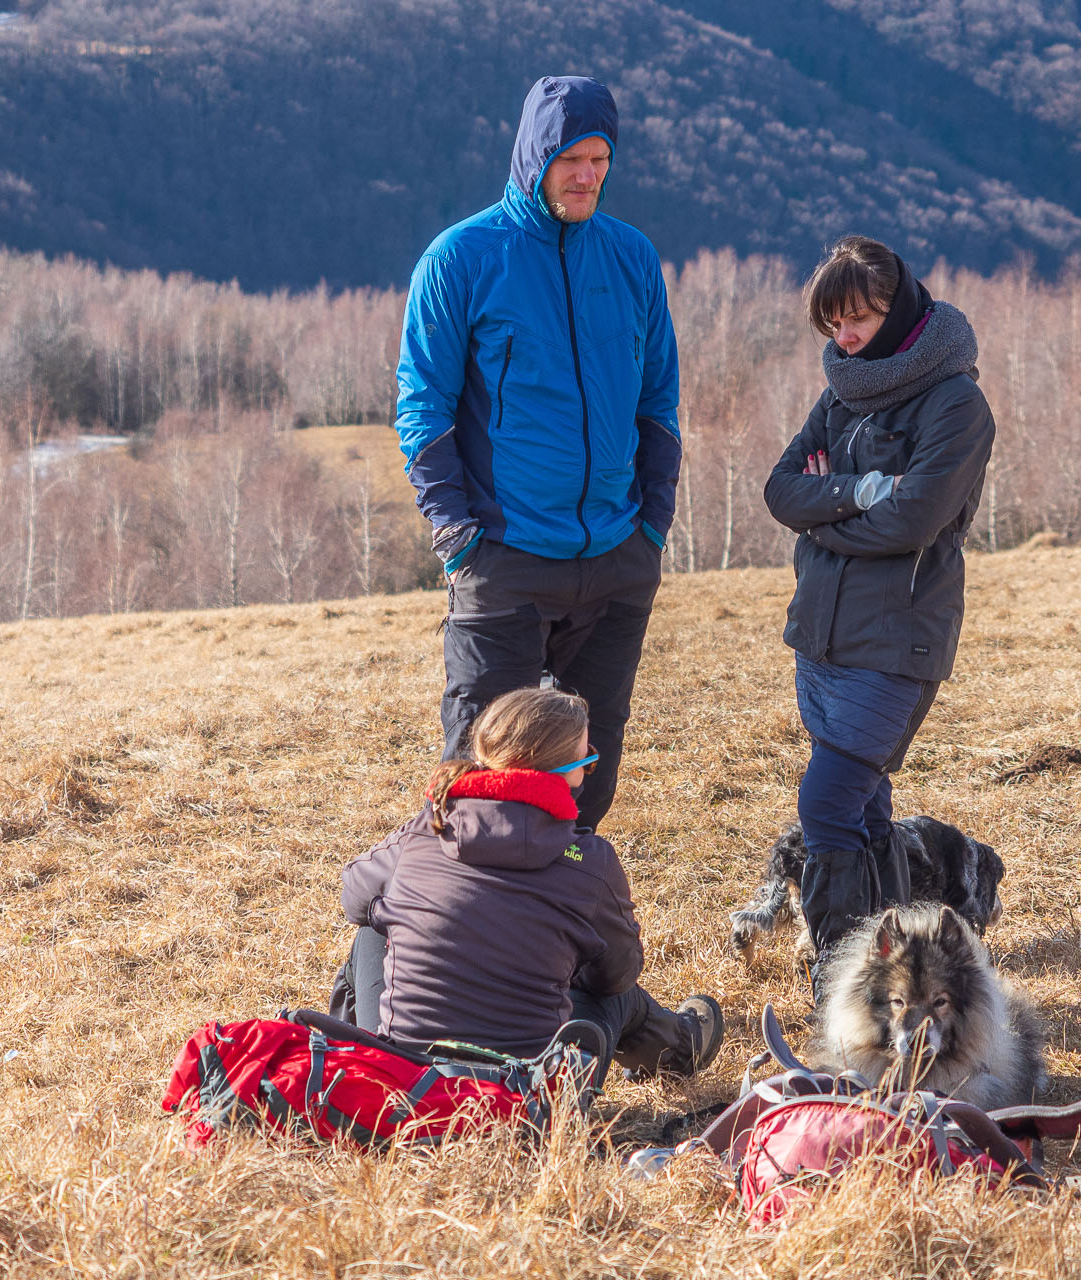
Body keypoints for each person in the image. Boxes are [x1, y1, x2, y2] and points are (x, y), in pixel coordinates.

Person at [394, 75, 682, 832]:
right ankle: (468, 932)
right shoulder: (460, 259)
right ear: (534, 156)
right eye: (569, 160)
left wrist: (651, 526)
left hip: (617, 558)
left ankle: (564, 924)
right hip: (506, 558)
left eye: (599, 159)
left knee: (590, 771)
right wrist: (459, 538)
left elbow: (659, 405)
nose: (586, 175)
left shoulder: (632, 259)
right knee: (485, 771)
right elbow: (421, 410)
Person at [761, 235, 995, 996]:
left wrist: (822, 511)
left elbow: (915, 521)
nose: (847, 336)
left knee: (826, 803)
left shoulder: (956, 403)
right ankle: (899, 967)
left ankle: (839, 980)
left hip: (896, 639)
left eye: (861, 316)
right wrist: (861, 492)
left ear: (903, 310)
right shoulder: (842, 392)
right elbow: (780, 491)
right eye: (834, 322)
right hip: (822, 635)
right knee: (864, 811)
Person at [332, 686, 722, 1080]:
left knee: (371, 931)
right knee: (620, 997)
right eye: (587, 763)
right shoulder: (591, 862)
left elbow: (354, 896)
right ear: (563, 773)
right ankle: (680, 1047)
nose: (589, 772)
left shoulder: (427, 828)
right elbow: (618, 974)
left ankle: (355, 1072)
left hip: (408, 1089)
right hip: (528, 1104)